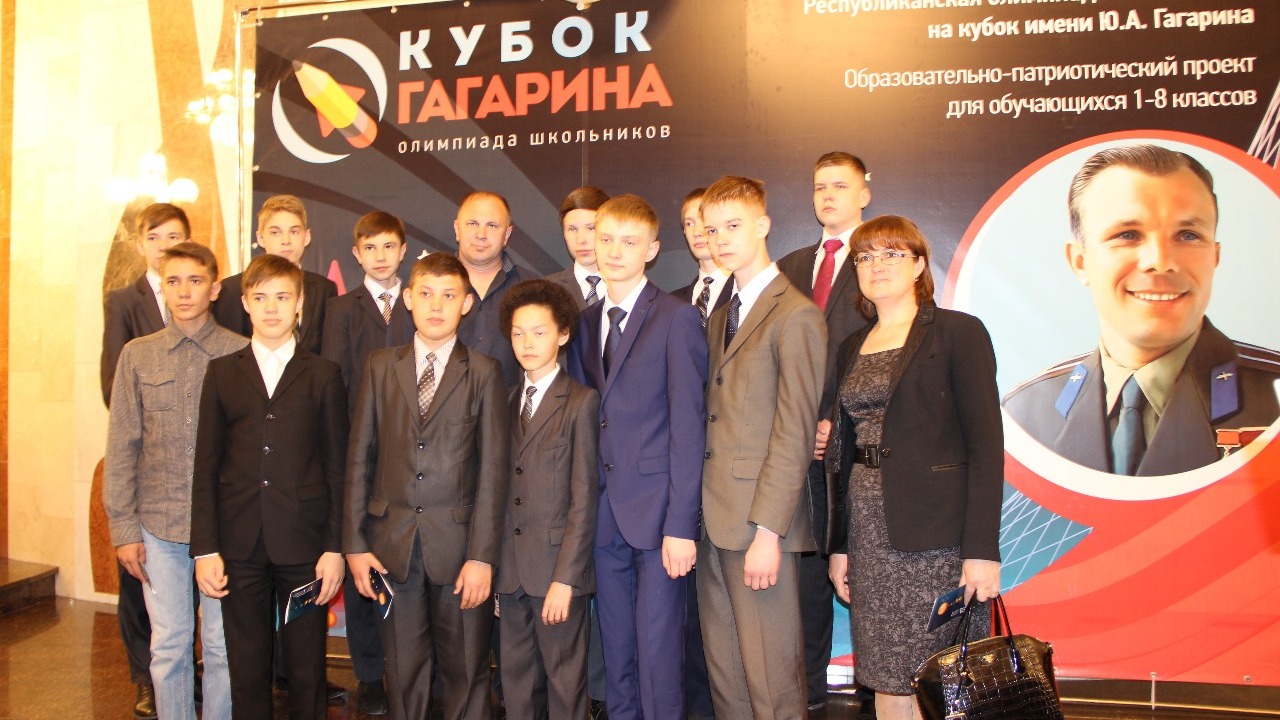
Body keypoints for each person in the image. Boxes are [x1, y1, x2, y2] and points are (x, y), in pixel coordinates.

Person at [1003, 144, 1280, 474]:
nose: (1160, 261)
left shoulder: (1273, 394)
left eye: (1188, 235)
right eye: (1128, 234)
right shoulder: (1022, 416)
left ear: (1214, 257)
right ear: (1080, 262)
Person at [822, 215, 1003, 720]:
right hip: (870, 536)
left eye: (892, 254)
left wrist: (982, 551)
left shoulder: (958, 332)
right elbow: (844, 452)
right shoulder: (852, 346)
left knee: (939, 682)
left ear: (920, 264)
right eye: (865, 257)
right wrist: (840, 546)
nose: (876, 265)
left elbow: (986, 446)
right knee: (885, 674)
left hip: (937, 539)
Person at [344, 253, 510, 720]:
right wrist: (354, 545)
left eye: (449, 295)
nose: (437, 306)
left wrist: (482, 557)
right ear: (408, 299)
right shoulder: (380, 366)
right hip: (391, 548)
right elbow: (359, 458)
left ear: (467, 304)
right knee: (403, 673)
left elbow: (493, 470)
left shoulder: (484, 372)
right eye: (426, 294)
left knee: (467, 673)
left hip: (460, 551)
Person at [566, 194, 708, 720]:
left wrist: (682, 525)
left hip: (659, 515)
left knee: (659, 652)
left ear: (651, 249)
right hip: (602, 514)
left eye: (628, 242)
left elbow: (689, 428)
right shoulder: (584, 324)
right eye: (605, 239)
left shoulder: (677, 318)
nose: (614, 251)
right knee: (616, 648)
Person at [191, 254, 349, 720]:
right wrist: (205, 549)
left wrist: (335, 547)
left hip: (304, 548)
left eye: (282, 297)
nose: (272, 308)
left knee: (306, 668)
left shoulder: (323, 374)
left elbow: (337, 469)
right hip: (240, 545)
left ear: (299, 304)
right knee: (247, 666)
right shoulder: (222, 372)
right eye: (260, 298)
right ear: (245, 303)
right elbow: (206, 465)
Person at [697, 176, 825, 720]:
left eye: (733, 226)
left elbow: (794, 432)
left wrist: (769, 533)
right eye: (711, 230)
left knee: (773, 684)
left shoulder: (796, 315)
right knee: (727, 678)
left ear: (763, 226)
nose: (721, 239)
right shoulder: (721, 313)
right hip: (711, 520)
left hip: (758, 526)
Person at [104, 242, 243, 720]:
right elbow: (122, 445)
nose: (184, 292)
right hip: (157, 527)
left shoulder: (239, 353)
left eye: (195, 281)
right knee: (168, 645)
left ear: (215, 289)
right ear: (161, 287)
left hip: (223, 530)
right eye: (173, 281)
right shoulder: (137, 356)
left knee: (222, 647)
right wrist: (123, 529)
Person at [776, 151, 871, 711]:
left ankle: (879, 689)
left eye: (839, 185)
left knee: (863, 577)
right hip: (795, 452)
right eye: (819, 187)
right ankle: (809, 697)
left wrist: (837, 420)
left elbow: (881, 354)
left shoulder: (879, 261)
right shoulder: (789, 266)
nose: (828, 196)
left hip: (858, 452)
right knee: (806, 580)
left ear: (864, 193)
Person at [320, 211, 415, 715]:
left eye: (389, 247)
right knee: (361, 563)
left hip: (413, 454)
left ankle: (408, 669)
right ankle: (370, 674)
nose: (380, 256)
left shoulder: (419, 300)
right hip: (361, 454)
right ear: (356, 255)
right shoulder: (340, 310)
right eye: (370, 248)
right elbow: (334, 384)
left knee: (406, 566)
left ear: (404, 251)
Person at [99, 201, 191, 719]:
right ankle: (144, 679)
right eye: (154, 238)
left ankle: (181, 675)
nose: (164, 246)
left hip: (191, 475)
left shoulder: (202, 297)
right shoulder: (123, 301)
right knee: (138, 583)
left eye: (174, 236)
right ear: (140, 244)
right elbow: (112, 383)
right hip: (145, 464)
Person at [495, 279, 600, 720]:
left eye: (539, 332)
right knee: (516, 687)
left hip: (557, 572)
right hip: (510, 573)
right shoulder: (504, 402)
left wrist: (566, 579)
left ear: (563, 334)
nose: (527, 343)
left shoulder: (581, 402)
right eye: (518, 333)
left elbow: (584, 500)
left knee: (564, 687)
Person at [212, 194, 338, 355]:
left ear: (306, 237)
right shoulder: (231, 290)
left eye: (294, 232)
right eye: (275, 233)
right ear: (260, 238)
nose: (286, 240)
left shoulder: (324, 289)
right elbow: (228, 351)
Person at [453, 190, 539, 387]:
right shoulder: (427, 289)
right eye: (472, 224)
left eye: (492, 226)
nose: (481, 235)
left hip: (510, 406)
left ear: (506, 234)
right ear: (457, 229)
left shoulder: (532, 290)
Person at [671, 187, 731, 326]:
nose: (697, 232)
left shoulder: (744, 292)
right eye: (689, 223)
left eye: (704, 220)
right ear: (684, 231)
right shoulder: (672, 302)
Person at [546, 186, 610, 308]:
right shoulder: (546, 291)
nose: (581, 240)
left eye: (591, 228)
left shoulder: (632, 289)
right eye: (572, 229)